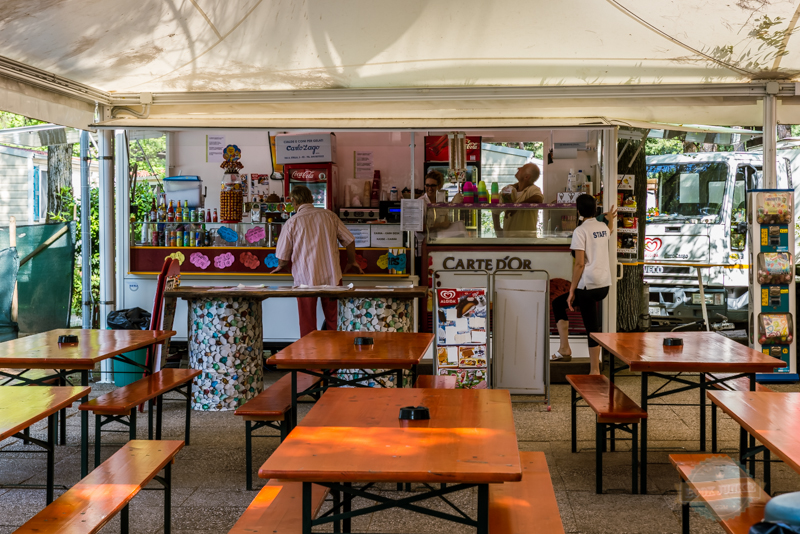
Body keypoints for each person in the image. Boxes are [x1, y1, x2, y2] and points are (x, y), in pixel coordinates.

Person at [271, 185, 364, 336]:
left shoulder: (292, 222)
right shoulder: (330, 216)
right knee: (335, 318)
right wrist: (352, 261)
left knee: (307, 320)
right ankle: (336, 351)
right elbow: (349, 240)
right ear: (312, 198)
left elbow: (283, 256)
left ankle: (309, 353)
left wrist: (282, 266)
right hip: (332, 276)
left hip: (304, 280)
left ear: (293, 200)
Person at [550, 194, 616, 375]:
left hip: (588, 285)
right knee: (558, 304)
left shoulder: (580, 231)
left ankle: (594, 370)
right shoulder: (602, 227)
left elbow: (579, 263)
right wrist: (610, 219)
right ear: (595, 210)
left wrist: (572, 290)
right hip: (604, 284)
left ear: (578, 211)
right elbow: (609, 231)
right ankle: (564, 348)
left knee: (591, 327)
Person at [492, 163, 544, 235]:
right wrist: (497, 228)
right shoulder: (509, 189)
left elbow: (538, 199)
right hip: (508, 241)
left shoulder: (533, 189)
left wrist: (517, 207)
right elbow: (495, 210)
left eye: (522, 168)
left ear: (526, 177)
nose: (518, 168)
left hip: (527, 242)